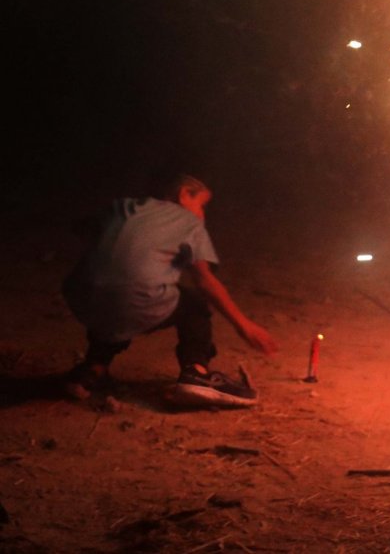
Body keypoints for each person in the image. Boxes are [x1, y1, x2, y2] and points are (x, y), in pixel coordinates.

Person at [63, 174, 277, 407]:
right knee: (192, 304)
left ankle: (92, 370)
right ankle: (197, 372)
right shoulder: (188, 221)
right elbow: (204, 280)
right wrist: (243, 326)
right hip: (131, 301)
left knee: (116, 296)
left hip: (81, 298)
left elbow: (82, 227)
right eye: (202, 205)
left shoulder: (124, 206)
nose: (203, 214)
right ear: (184, 194)